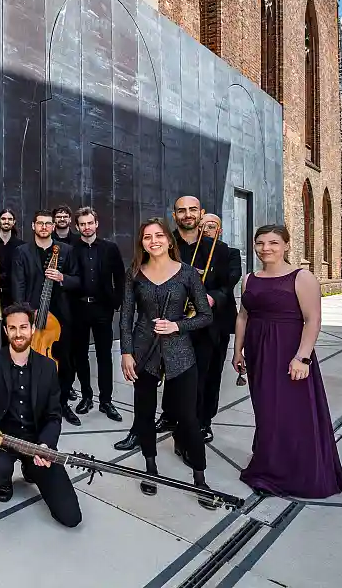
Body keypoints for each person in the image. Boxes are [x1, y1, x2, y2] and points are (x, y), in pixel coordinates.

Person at [234, 224, 342, 499]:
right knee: (266, 412)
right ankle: (268, 467)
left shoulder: (301, 277)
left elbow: (312, 319)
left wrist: (302, 357)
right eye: (260, 243)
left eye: (273, 243)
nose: (266, 248)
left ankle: (294, 473)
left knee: (291, 414)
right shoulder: (249, 279)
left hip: (289, 353)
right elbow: (243, 316)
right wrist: (237, 351)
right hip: (259, 354)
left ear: (287, 246)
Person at [0, 303, 82, 528]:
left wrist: (46, 445)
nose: (18, 333)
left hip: (36, 442)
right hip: (0, 440)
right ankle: (3, 482)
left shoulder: (49, 366)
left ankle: (30, 467)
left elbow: (53, 415)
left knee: (71, 517)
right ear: (6, 331)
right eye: (12, 328)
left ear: (33, 329)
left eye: (23, 327)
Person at [119, 217, 217, 510]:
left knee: (188, 417)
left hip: (179, 351)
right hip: (143, 350)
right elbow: (125, 318)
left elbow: (206, 315)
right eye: (147, 237)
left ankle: (200, 477)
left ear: (168, 240)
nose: (154, 241)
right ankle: (151, 468)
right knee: (145, 414)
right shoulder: (135, 273)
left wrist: (177, 326)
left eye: (159, 235)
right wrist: (126, 353)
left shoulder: (187, 273)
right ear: (142, 243)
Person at [11, 210, 82, 426]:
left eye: (48, 224)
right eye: (40, 223)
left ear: (53, 227)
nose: (44, 227)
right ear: (33, 226)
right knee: (27, 362)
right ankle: (28, 405)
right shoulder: (22, 252)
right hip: (32, 315)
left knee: (65, 363)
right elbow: (18, 285)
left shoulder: (67, 251)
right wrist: (24, 314)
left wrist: (62, 278)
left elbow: (78, 281)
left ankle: (61, 405)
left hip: (61, 318)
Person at [69, 207, 124, 421]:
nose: (86, 227)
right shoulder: (71, 249)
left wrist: (116, 302)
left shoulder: (110, 248)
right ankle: (86, 397)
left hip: (103, 308)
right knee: (80, 355)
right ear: (77, 227)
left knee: (104, 356)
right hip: (79, 308)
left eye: (90, 223)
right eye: (82, 224)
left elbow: (120, 277)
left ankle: (106, 401)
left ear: (96, 223)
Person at [193, 214, 241, 442]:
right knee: (189, 375)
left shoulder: (230, 253)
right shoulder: (190, 251)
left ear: (219, 230)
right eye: (202, 226)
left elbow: (230, 280)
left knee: (211, 375)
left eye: (211, 226)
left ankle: (205, 421)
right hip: (188, 323)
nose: (206, 230)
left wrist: (210, 297)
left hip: (216, 324)